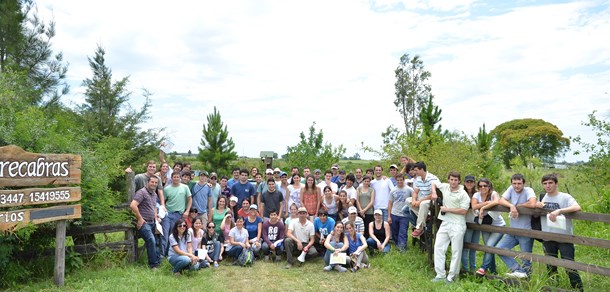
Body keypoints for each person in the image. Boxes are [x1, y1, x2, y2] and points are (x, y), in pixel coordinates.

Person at [536, 174, 583, 291]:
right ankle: (553, 287)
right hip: (548, 237)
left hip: (564, 238)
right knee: (550, 265)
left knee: (569, 265)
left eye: (550, 183)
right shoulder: (542, 197)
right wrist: (536, 206)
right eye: (545, 183)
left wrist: (560, 211)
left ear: (556, 184)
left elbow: (577, 207)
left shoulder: (565, 197)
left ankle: (578, 289)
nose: (548, 186)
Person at [431, 172, 470, 284]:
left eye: (455, 180)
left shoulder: (463, 194)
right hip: (445, 223)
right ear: (448, 180)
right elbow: (434, 182)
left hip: (458, 224)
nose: (453, 182)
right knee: (438, 247)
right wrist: (434, 192)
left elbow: (463, 210)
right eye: (451, 179)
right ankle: (440, 274)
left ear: (459, 181)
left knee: (456, 251)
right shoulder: (445, 187)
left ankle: (452, 277)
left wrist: (447, 209)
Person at [496, 173, 537, 278]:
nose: (516, 186)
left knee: (525, 258)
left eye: (519, 183)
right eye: (514, 183)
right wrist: (511, 205)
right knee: (500, 248)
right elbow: (501, 200)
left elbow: (532, 203)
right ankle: (517, 270)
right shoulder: (511, 189)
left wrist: (518, 206)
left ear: (524, 183)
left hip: (525, 230)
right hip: (513, 231)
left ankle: (528, 282)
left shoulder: (528, 190)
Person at [473, 178, 505, 276]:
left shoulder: (493, 193)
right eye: (481, 186)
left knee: (489, 246)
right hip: (485, 225)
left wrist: (482, 207)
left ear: (489, 186)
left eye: (485, 186)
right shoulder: (476, 195)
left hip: (498, 226)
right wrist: (486, 203)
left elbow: (496, 201)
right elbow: (474, 206)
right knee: (489, 249)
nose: (483, 187)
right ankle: (494, 271)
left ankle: (483, 268)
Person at [129, 176, 162, 269]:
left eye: (156, 183)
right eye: (152, 182)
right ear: (148, 182)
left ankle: (158, 260)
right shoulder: (141, 192)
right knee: (151, 240)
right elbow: (133, 205)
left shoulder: (154, 194)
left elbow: (154, 207)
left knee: (157, 240)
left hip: (153, 222)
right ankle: (153, 265)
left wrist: (156, 216)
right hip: (144, 223)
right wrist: (139, 219)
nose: (154, 184)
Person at [161, 172, 193, 256]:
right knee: (165, 233)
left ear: (180, 178)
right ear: (171, 178)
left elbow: (190, 199)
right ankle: (163, 253)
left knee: (174, 233)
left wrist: (187, 211)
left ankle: (173, 252)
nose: (176, 178)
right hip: (168, 214)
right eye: (174, 177)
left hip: (179, 214)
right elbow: (163, 200)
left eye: (177, 177)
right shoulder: (167, 189)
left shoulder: (185, 187)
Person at [408, 161, 440, 238]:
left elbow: (433, 194)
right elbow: (415, 192)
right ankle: (425, 216)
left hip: (433, 201)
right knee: (407, 201)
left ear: (422, 169)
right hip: (422, 199)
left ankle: (419, 227)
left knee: (423, 203)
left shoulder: (432, 178)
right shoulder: (418, 179)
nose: (415, 172)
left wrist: (419, 201)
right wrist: (414, 200)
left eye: (416, 170)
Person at [387, 174, 414, 251]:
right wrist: (389, 216)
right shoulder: (393, 190)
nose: (399, 181)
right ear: (396, 181)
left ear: (403, 180)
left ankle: (402, 248)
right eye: (398, 180)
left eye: (401, 180)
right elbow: (390, 203)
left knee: (403, 232)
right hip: (394, 213)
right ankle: (396, 244)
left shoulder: (409, 190)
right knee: (395, 232)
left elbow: (413, 200)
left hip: (404, 215)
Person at [461, 175, 480, 272]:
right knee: (466, 247)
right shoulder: (461, 193)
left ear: (474, 183)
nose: (469, 184)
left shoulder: (478, 194)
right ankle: (465, 269)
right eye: (467, 182)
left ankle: (473, 268)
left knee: (474, 247)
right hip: (466, 222)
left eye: (471, 182)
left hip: (476, 222)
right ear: (464, 182)